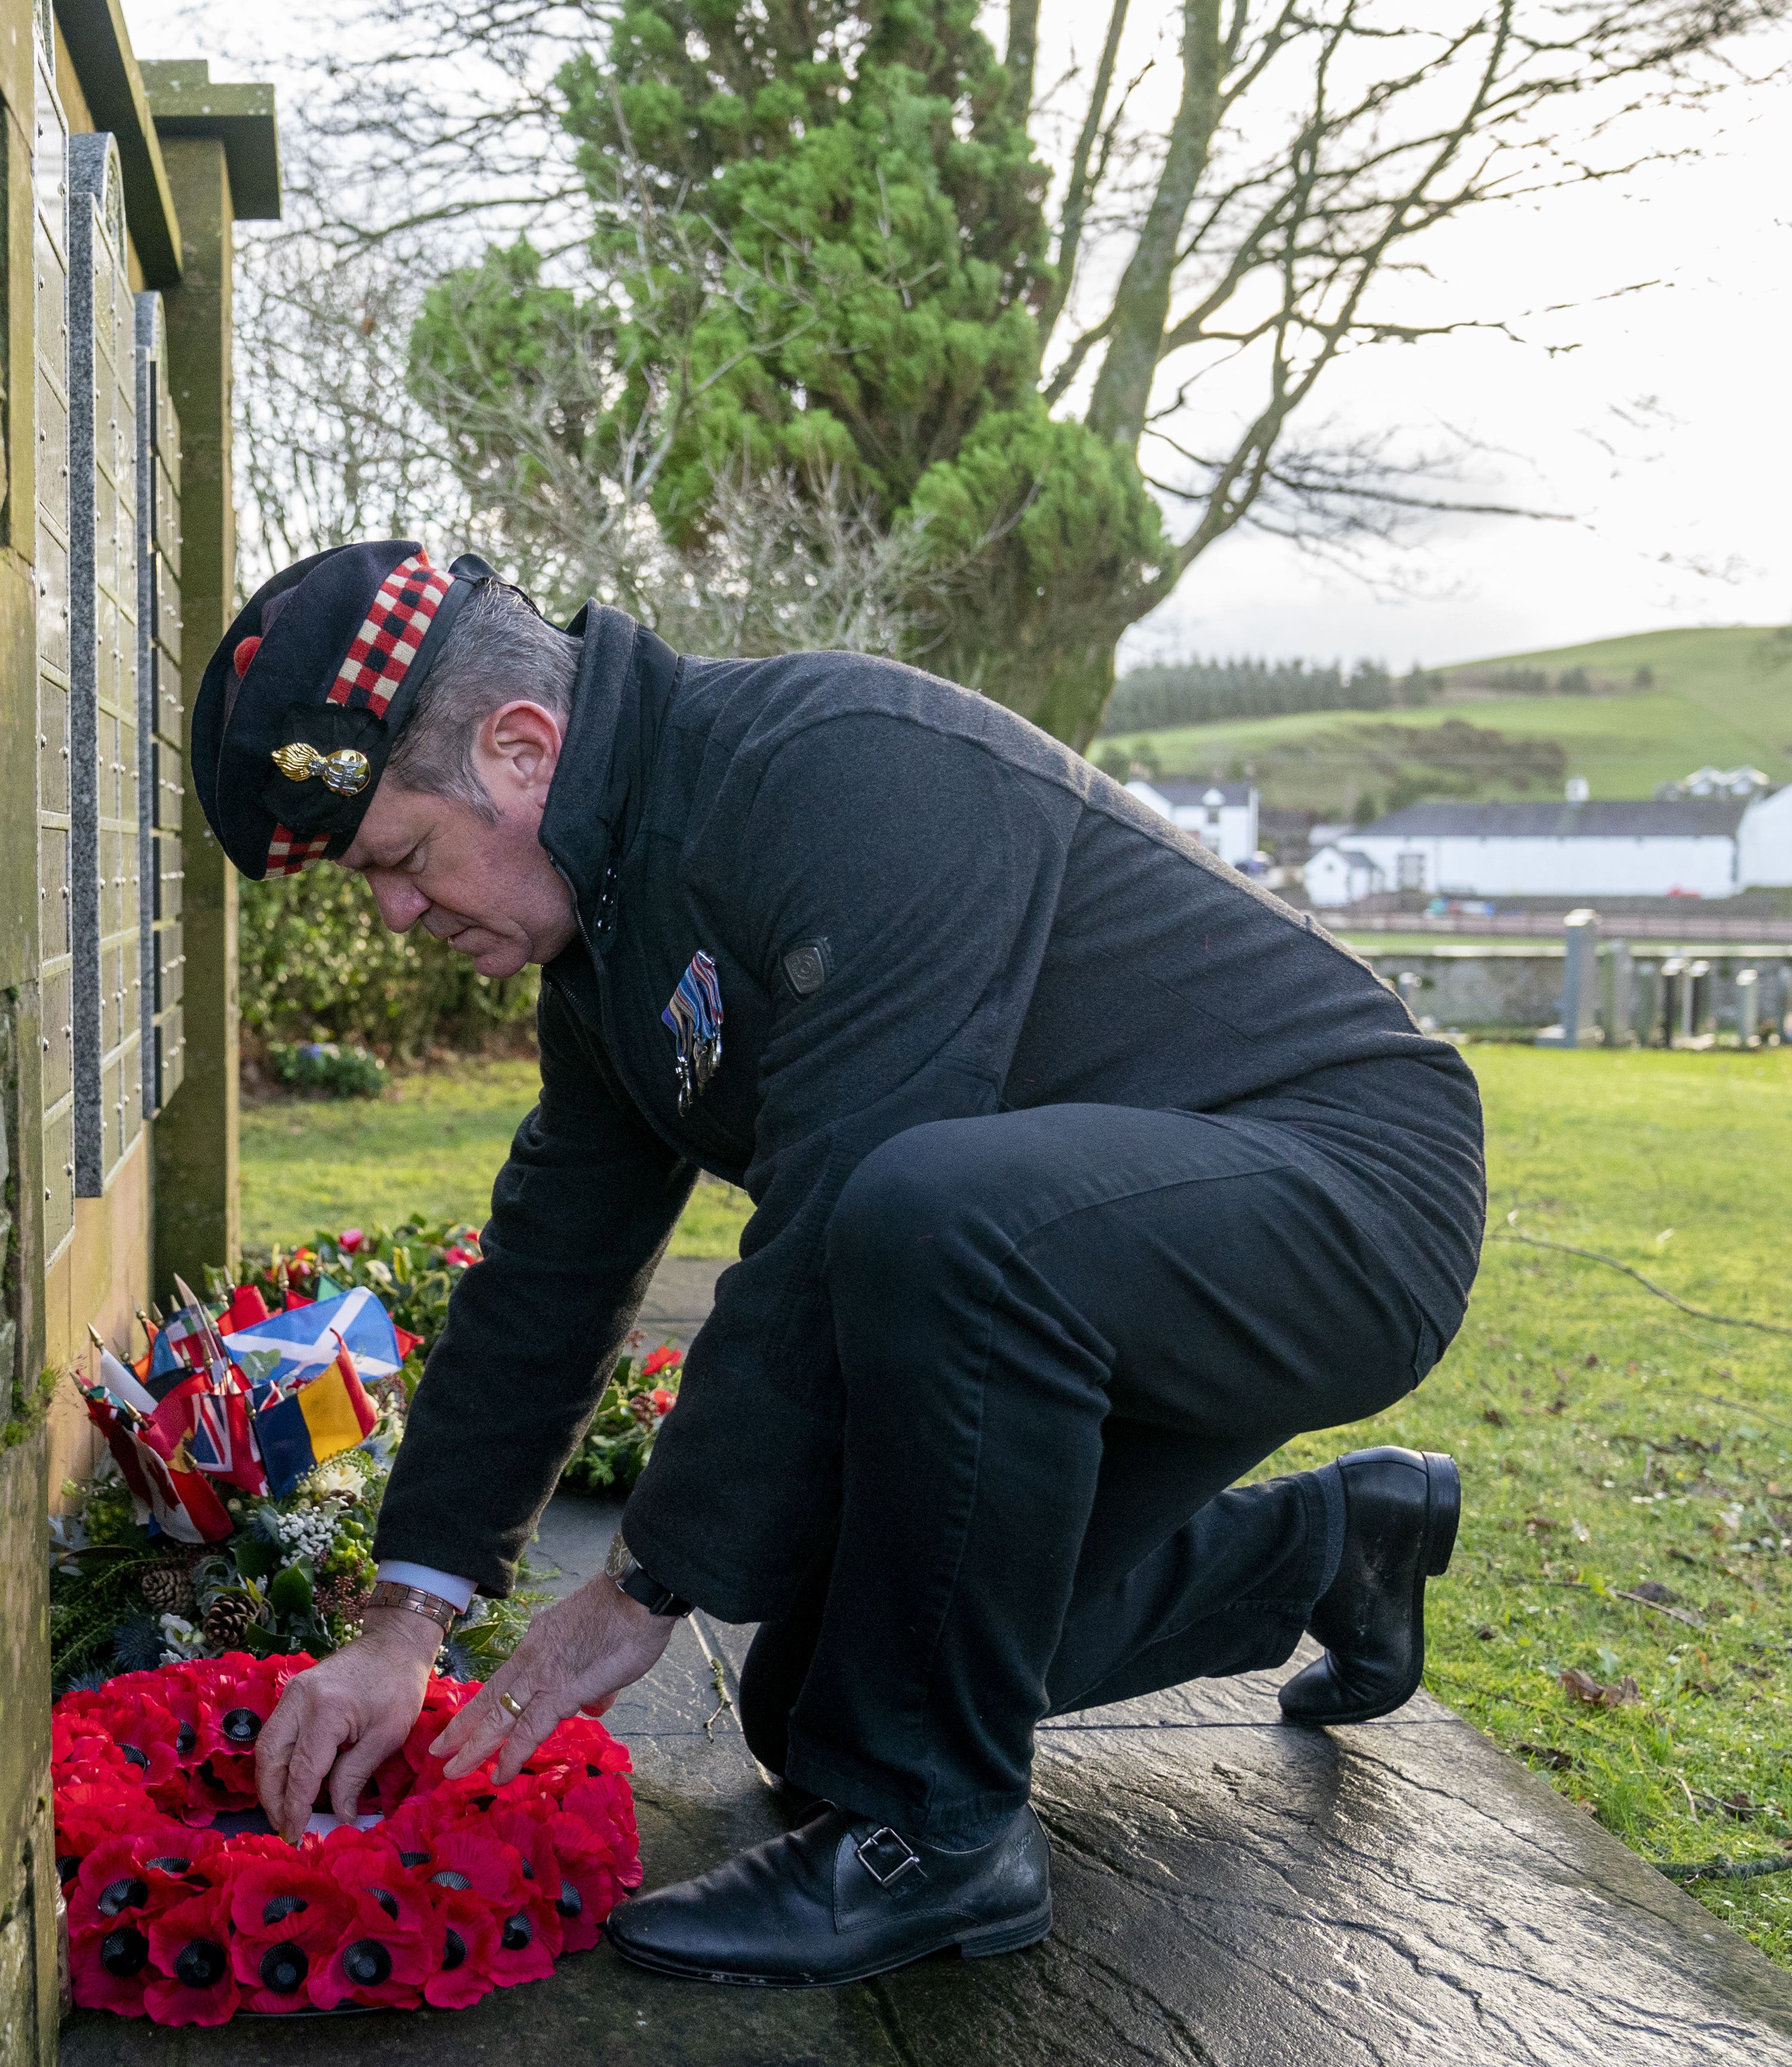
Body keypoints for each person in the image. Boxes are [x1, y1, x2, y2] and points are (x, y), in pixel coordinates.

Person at [189, 541, 1482, 1987]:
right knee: (819, 1702)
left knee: (918, 1211)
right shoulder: (608, 932)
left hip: (1342, 1184)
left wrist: (637, 1589)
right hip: (1080, 1255)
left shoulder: (835, 766)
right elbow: (551, 1270)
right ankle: (1330, 1548)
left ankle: (946, 1841)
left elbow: (834, 1206)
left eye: (401, 857)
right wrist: (401, 1620)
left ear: (520, 744)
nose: (397, 915)